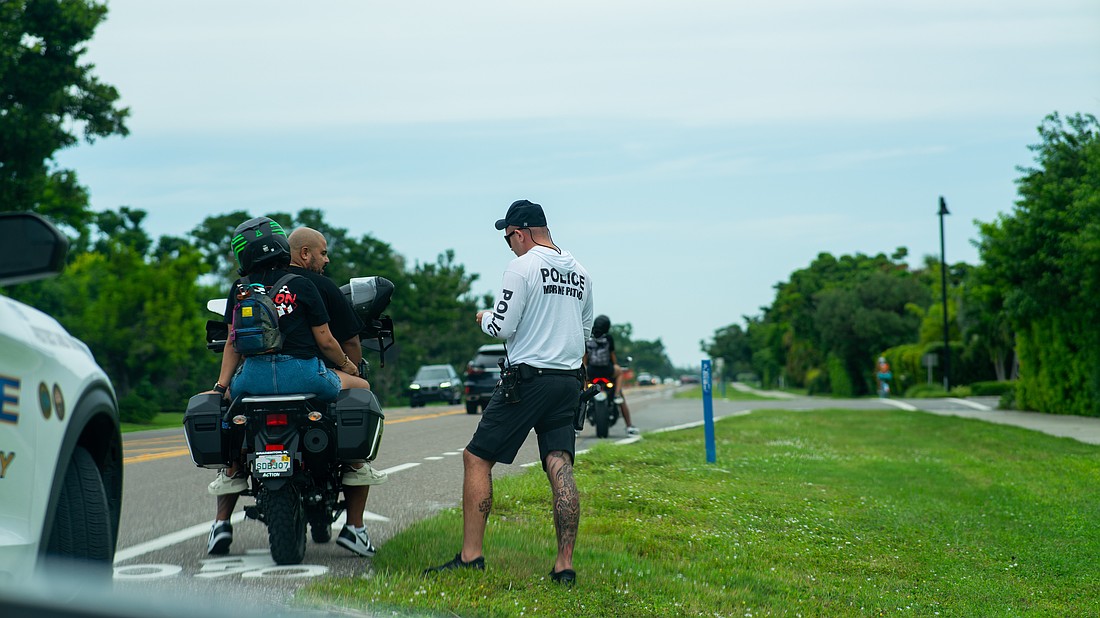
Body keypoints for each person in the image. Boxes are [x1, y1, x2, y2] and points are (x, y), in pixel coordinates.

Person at [424, 199, 593, 585]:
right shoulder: (580, 271)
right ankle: (564, 565)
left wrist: (484, 317)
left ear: (520, 232)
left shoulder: (522, 266)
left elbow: (501, 327)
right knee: (559, 463)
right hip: (567, 380)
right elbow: (584, 335)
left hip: (527, 380)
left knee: (477, 458)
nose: (510, 245)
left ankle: (471, 557)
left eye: (508, 238)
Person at [203, 217, 382, 557]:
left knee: (230, 418)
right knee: (360, 389)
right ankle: (356, 478)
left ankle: (222, 515)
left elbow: (232, 344)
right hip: (304, 376)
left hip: (251, 380)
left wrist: (221, 386)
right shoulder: (306, 285)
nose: (326, 260)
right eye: (324, 253)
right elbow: (327, 340)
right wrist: (347, 367)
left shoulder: (239, 289)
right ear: (285, 247)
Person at [583, 314, 638, 435]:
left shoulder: (588, 339)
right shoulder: (608, 338)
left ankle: (576, 428)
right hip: (607, 371)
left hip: (592, 372)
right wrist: (615, 365)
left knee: (581, 396)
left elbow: (585, 358)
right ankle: (628, 425)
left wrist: (585, 371)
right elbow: (612, 356)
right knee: (619, 373)